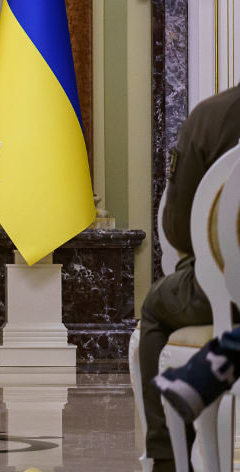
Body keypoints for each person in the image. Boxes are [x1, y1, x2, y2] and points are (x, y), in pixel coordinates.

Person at [138, 85, 240, 471]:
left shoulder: (211, 118)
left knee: (155, 307)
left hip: (227, 297)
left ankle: (166, 457)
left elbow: (180, 231)